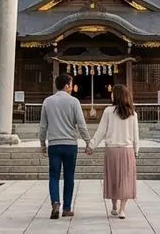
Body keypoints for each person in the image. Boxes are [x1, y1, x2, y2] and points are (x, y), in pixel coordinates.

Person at [39, 73, 92, 219]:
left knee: (54, 176)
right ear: (67, 85)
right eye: (71, 84)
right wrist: (88, 141)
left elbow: (43, 126)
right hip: (70, 144)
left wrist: (42, 143)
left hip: (54, 144)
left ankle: (55, 202)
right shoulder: (74, 102)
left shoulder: (47, 101)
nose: (72, 87)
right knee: (69, 176)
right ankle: (67, 208)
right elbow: (81, 125)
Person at [90, 84, 139, 219]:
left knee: (112, 177)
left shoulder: (108, 111)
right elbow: (136, 135)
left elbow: (101, 131)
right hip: (127, 149)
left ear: (116, 95)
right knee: (125, 179)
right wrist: (136, 151)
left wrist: (91, 145)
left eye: (112, 93)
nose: (111, 95)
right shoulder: (132, 113)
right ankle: (122, 209)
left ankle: (114, 206)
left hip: (111, 149)